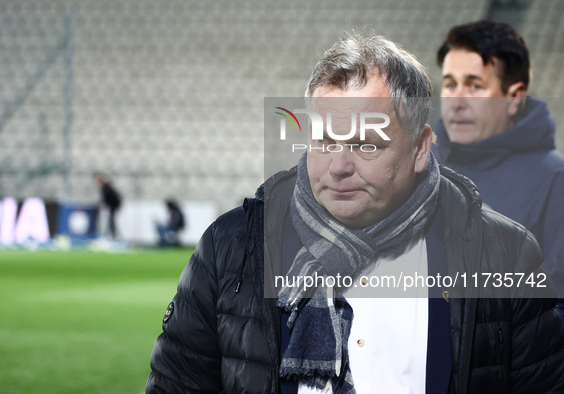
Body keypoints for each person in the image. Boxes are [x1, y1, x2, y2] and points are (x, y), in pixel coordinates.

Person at [146, 32, 564, 393]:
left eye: (366, 143)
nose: (339, 165)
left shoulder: (504, 252)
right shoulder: (229, 248)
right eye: (325, 140)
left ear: (420, 148)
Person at [432, 20, 564, 312]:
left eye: (474, 86)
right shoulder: (420, 166)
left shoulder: (555, 181)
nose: (457, 101)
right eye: (450, 84)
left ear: (514, 97)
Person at [93, 172, 122, 238]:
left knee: (111, 221)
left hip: (113, 205)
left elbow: (108, 198)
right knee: (110, 220)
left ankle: (112, 235)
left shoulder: (106, 188)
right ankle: (111, 234)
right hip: (112, 205)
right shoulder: (106, 187)